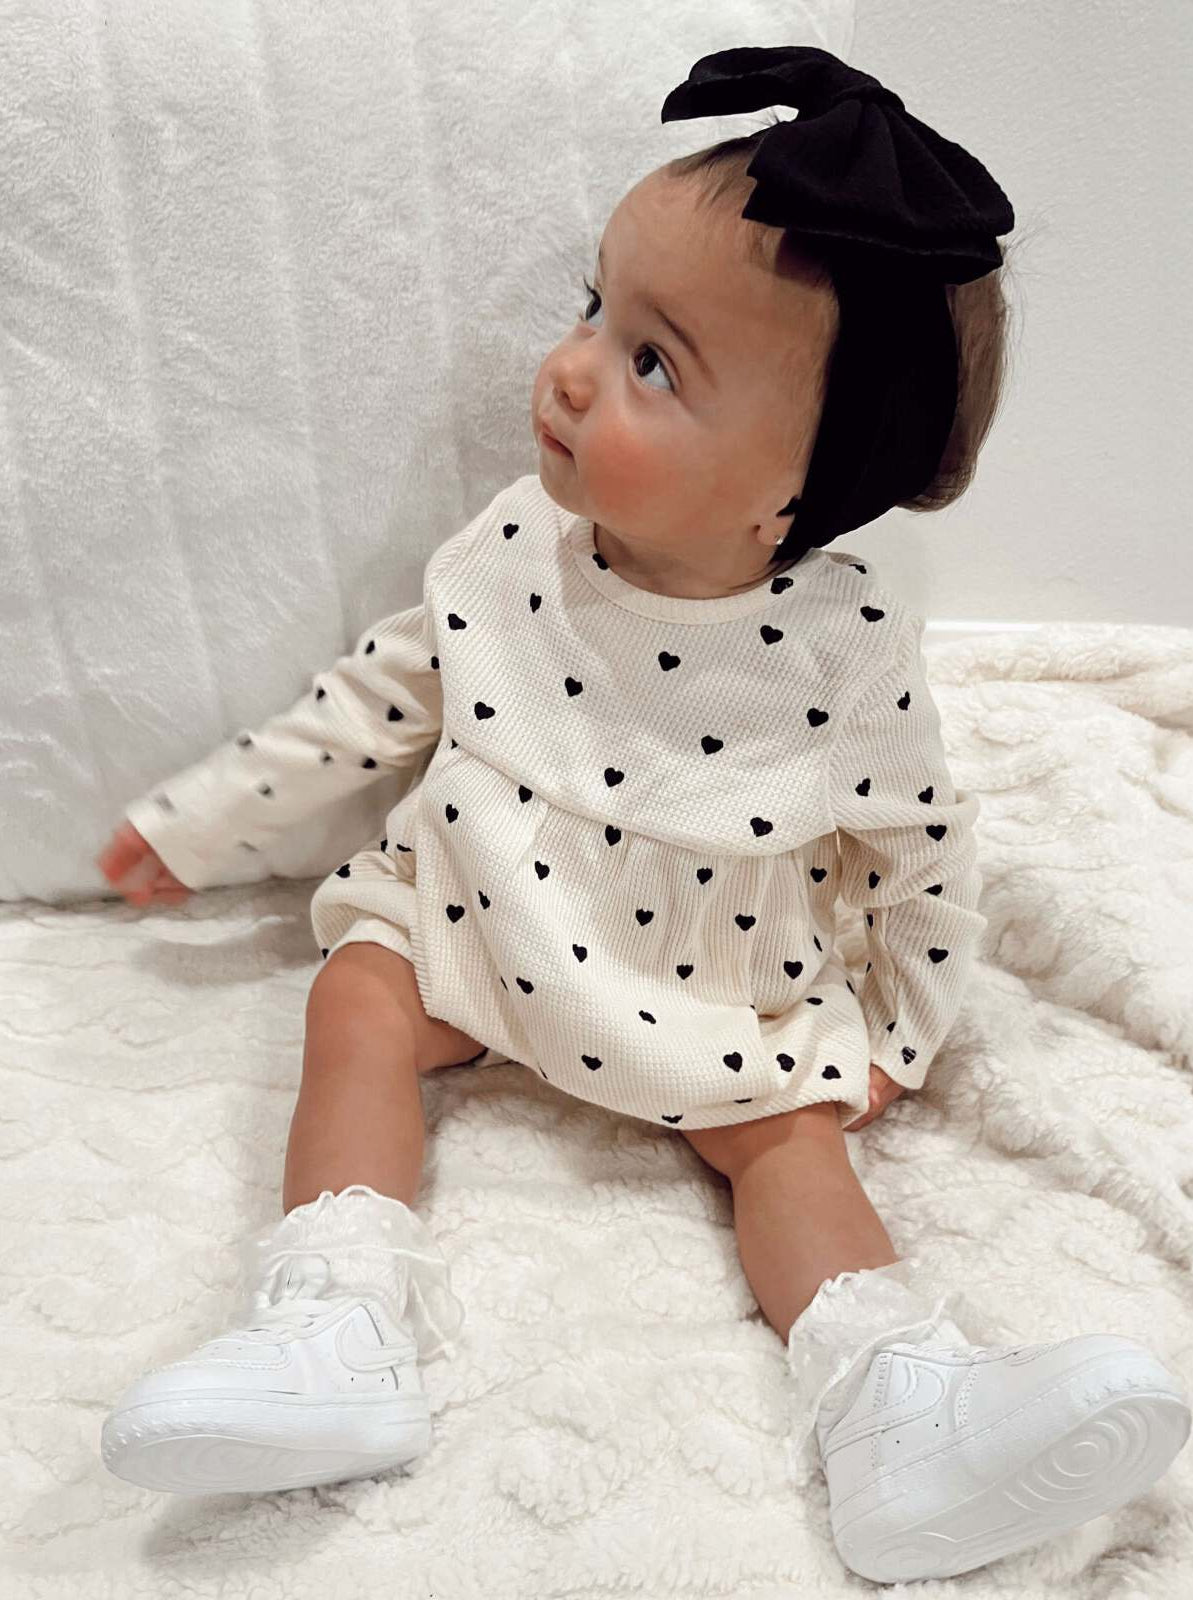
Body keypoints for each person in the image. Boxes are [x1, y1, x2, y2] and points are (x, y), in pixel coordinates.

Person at [97, 46, 1189, 1585]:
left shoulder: (841, 649)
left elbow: (919, 848)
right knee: (356, 996)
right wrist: (206, 822)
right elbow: (379, 693)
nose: (569, 365)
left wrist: (899, 1028)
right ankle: (331, 1324)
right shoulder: (513, 542)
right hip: (480, 905)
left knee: (789, 1142)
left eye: (653, 363)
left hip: (709, 963)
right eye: (592, 306)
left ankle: (899, 1406)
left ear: (789, 502)